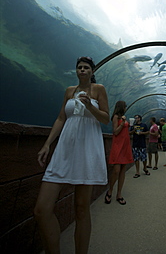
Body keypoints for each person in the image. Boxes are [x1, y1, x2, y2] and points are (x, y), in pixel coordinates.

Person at [34, 56, 109, 254]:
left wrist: (90, 106)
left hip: (87, 150)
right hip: (64, 150)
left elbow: (106, 118)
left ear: (92, 71)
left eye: (86, 67)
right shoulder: (69, 91)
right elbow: (61, 118)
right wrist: (47, 144)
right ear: (76, 71)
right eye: (79, 67)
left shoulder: (99, 89)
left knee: (81, 208)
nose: (82, 70)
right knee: (41, 210)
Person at [105, 101, 134, 205]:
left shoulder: (124, 117)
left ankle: (119, 194)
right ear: (121, 107)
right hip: (118, 145)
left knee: (123, 170)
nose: (126, 108)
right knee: (116, 170)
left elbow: (124, 132)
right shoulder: (116, 117)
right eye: (125, 106)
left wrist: (131, 129)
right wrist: (122, 123)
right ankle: (110, 191)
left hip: (125, 146)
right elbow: (115, 131)